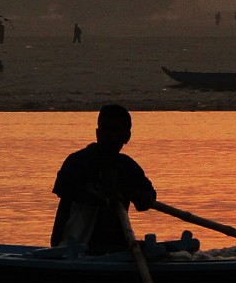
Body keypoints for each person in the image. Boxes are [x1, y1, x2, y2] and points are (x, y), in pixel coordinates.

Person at [50, 104, 157, 255]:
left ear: (127, 137)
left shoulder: (127, 167)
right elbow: (62, 187)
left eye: (115, 130)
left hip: (114, 246)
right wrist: (104, 201)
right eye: (104, 129)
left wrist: (142, 197)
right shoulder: (80, 161)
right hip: (73, 246)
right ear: (97, 133)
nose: (108, 135)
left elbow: (148, 196)